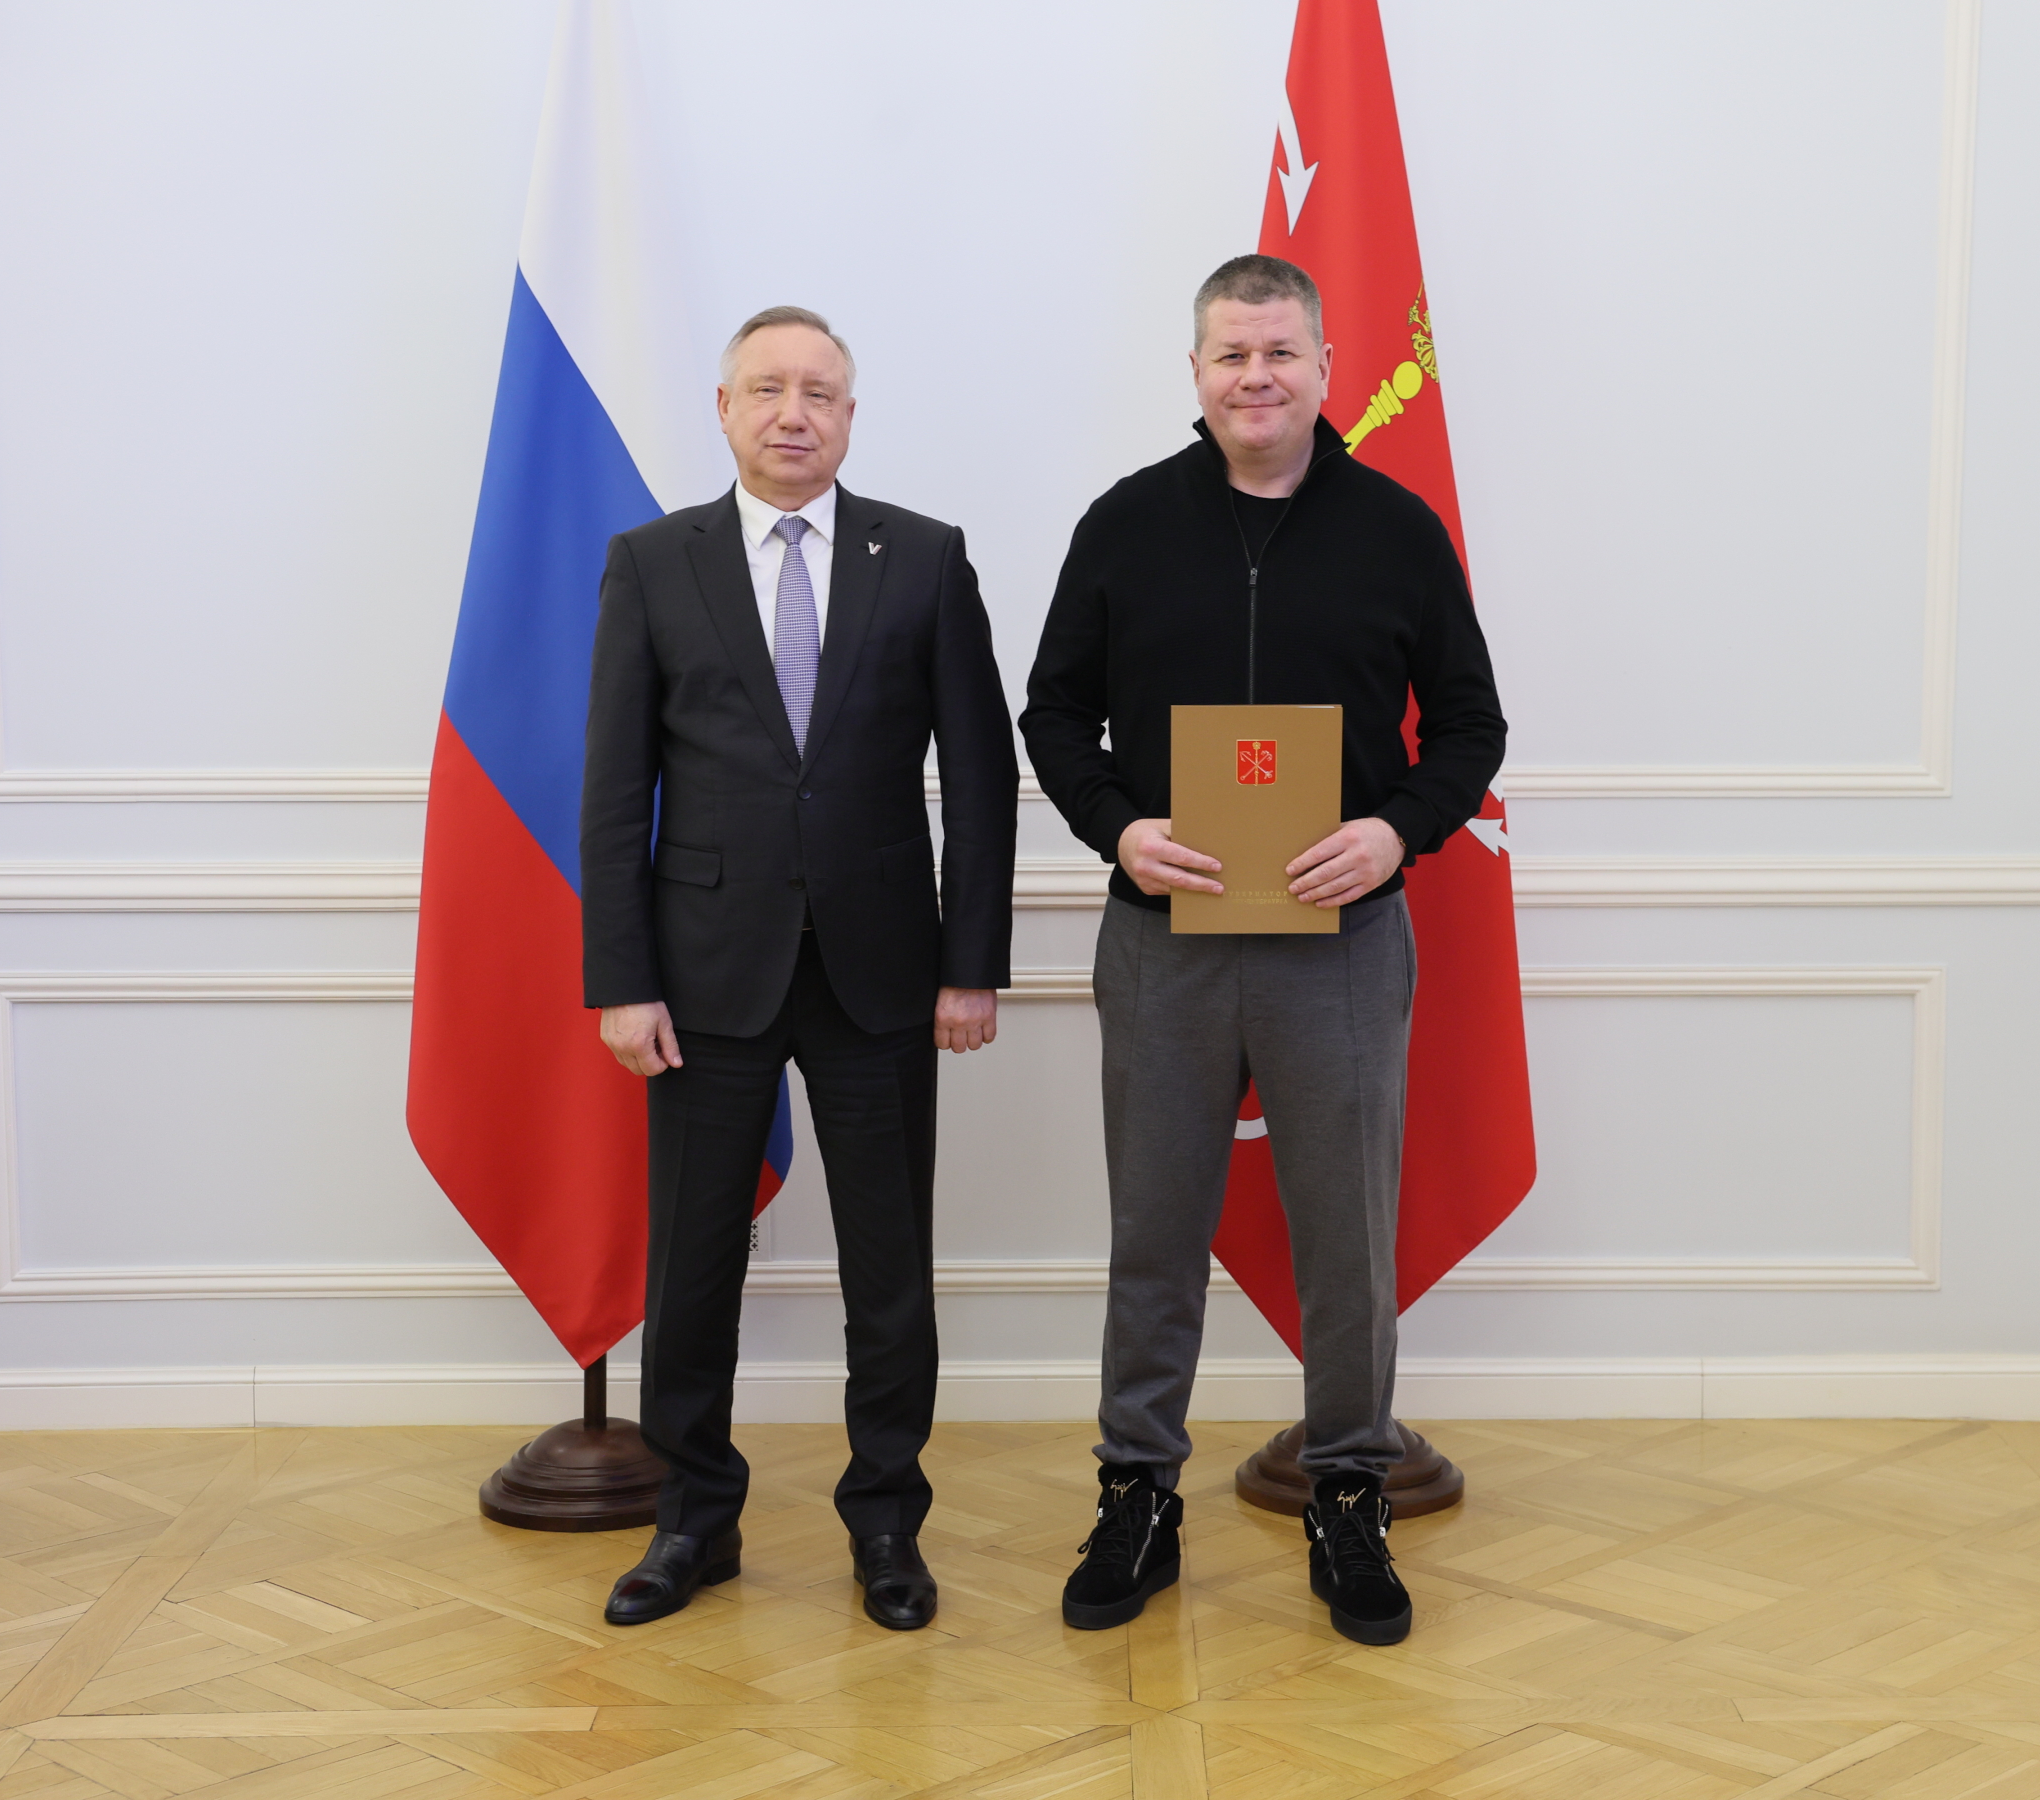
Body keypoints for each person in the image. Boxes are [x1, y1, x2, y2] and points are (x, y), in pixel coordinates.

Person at [1020, 255, 1507, 1647]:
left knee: (1346, 1240)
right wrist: (1118, 828)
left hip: (1338, 942)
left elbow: (1471, 727)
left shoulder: (1396, 530)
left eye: (1281, 352)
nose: (1256, 377)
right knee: (1153, 1232)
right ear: (1196, 371)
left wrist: (1394, 832)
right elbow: (1051, 716)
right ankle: (1137, 1494)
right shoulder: (1125, 524)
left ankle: (1349, 1493)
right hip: (1163, 941)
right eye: (1231, 354)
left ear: (1326, 367)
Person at [581, 306, 1017, 1631]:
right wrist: (620, 979)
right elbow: (615, 787)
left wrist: (971, 965)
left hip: (883, 973)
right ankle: (693, 1520)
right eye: (766, 388)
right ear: (723, 409)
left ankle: (886, 1522)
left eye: (819, 392)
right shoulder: (652, 563)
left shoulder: (925, 557)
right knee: (692, 1265)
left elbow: (980, 774)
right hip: (703, 976)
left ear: (850, 416)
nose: (792, 412)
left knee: (889, 1267)